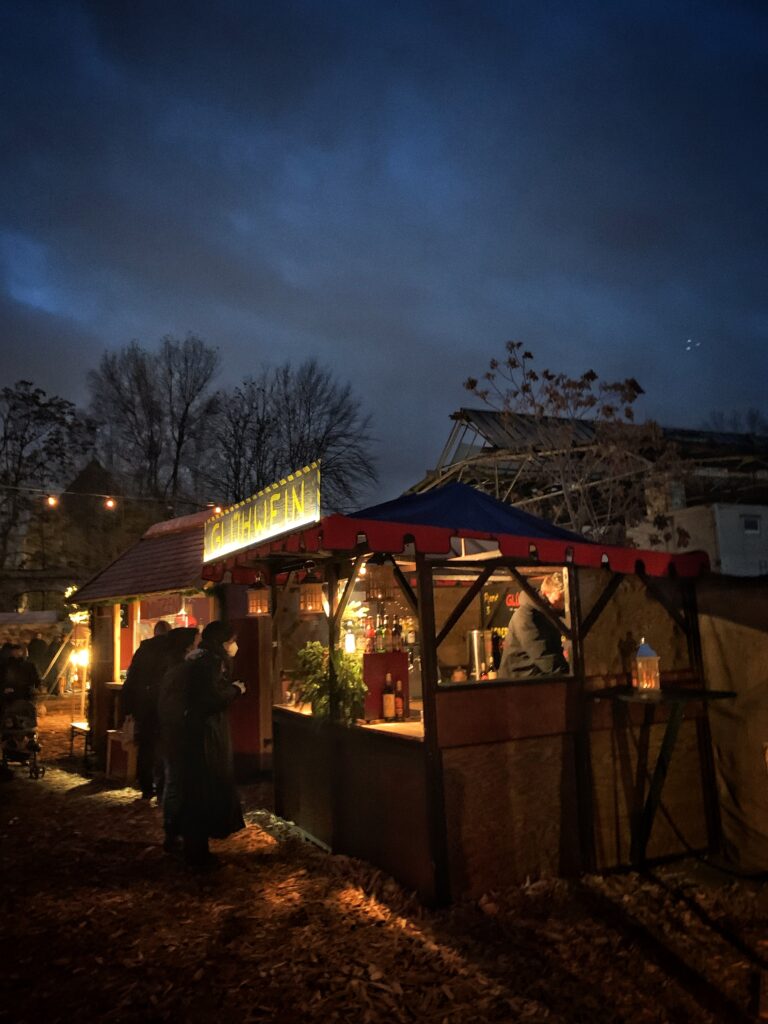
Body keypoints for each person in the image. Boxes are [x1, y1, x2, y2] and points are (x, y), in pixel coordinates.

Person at [159, 620, 245, 869]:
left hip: (191, 735)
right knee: (200, 791)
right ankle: (196, 851)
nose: (234, 646)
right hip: (203, 738)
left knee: (192, 790)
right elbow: (211, 699)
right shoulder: (209, 663)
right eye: (231, 641)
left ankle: (188, 842)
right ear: (223, 642)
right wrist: (235, 690)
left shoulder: (198, 661)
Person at [121, 620, 173, 799]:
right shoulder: (171, 652)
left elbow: (131, 678)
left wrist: (129, 708)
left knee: (146, 748)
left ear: (155, 632)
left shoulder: (143, 651)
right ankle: (161, 788)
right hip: (163, 706)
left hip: (143, 706)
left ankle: (146, 787)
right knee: (164, 747)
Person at [497, 573, 568, 679]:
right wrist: (568, 673)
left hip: (532, 677)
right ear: (545, 593)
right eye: (560, 599)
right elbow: (543, 655)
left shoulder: (549, 613)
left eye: (565, 599)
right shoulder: (526, 616)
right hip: (519, 682)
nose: (562, 604)